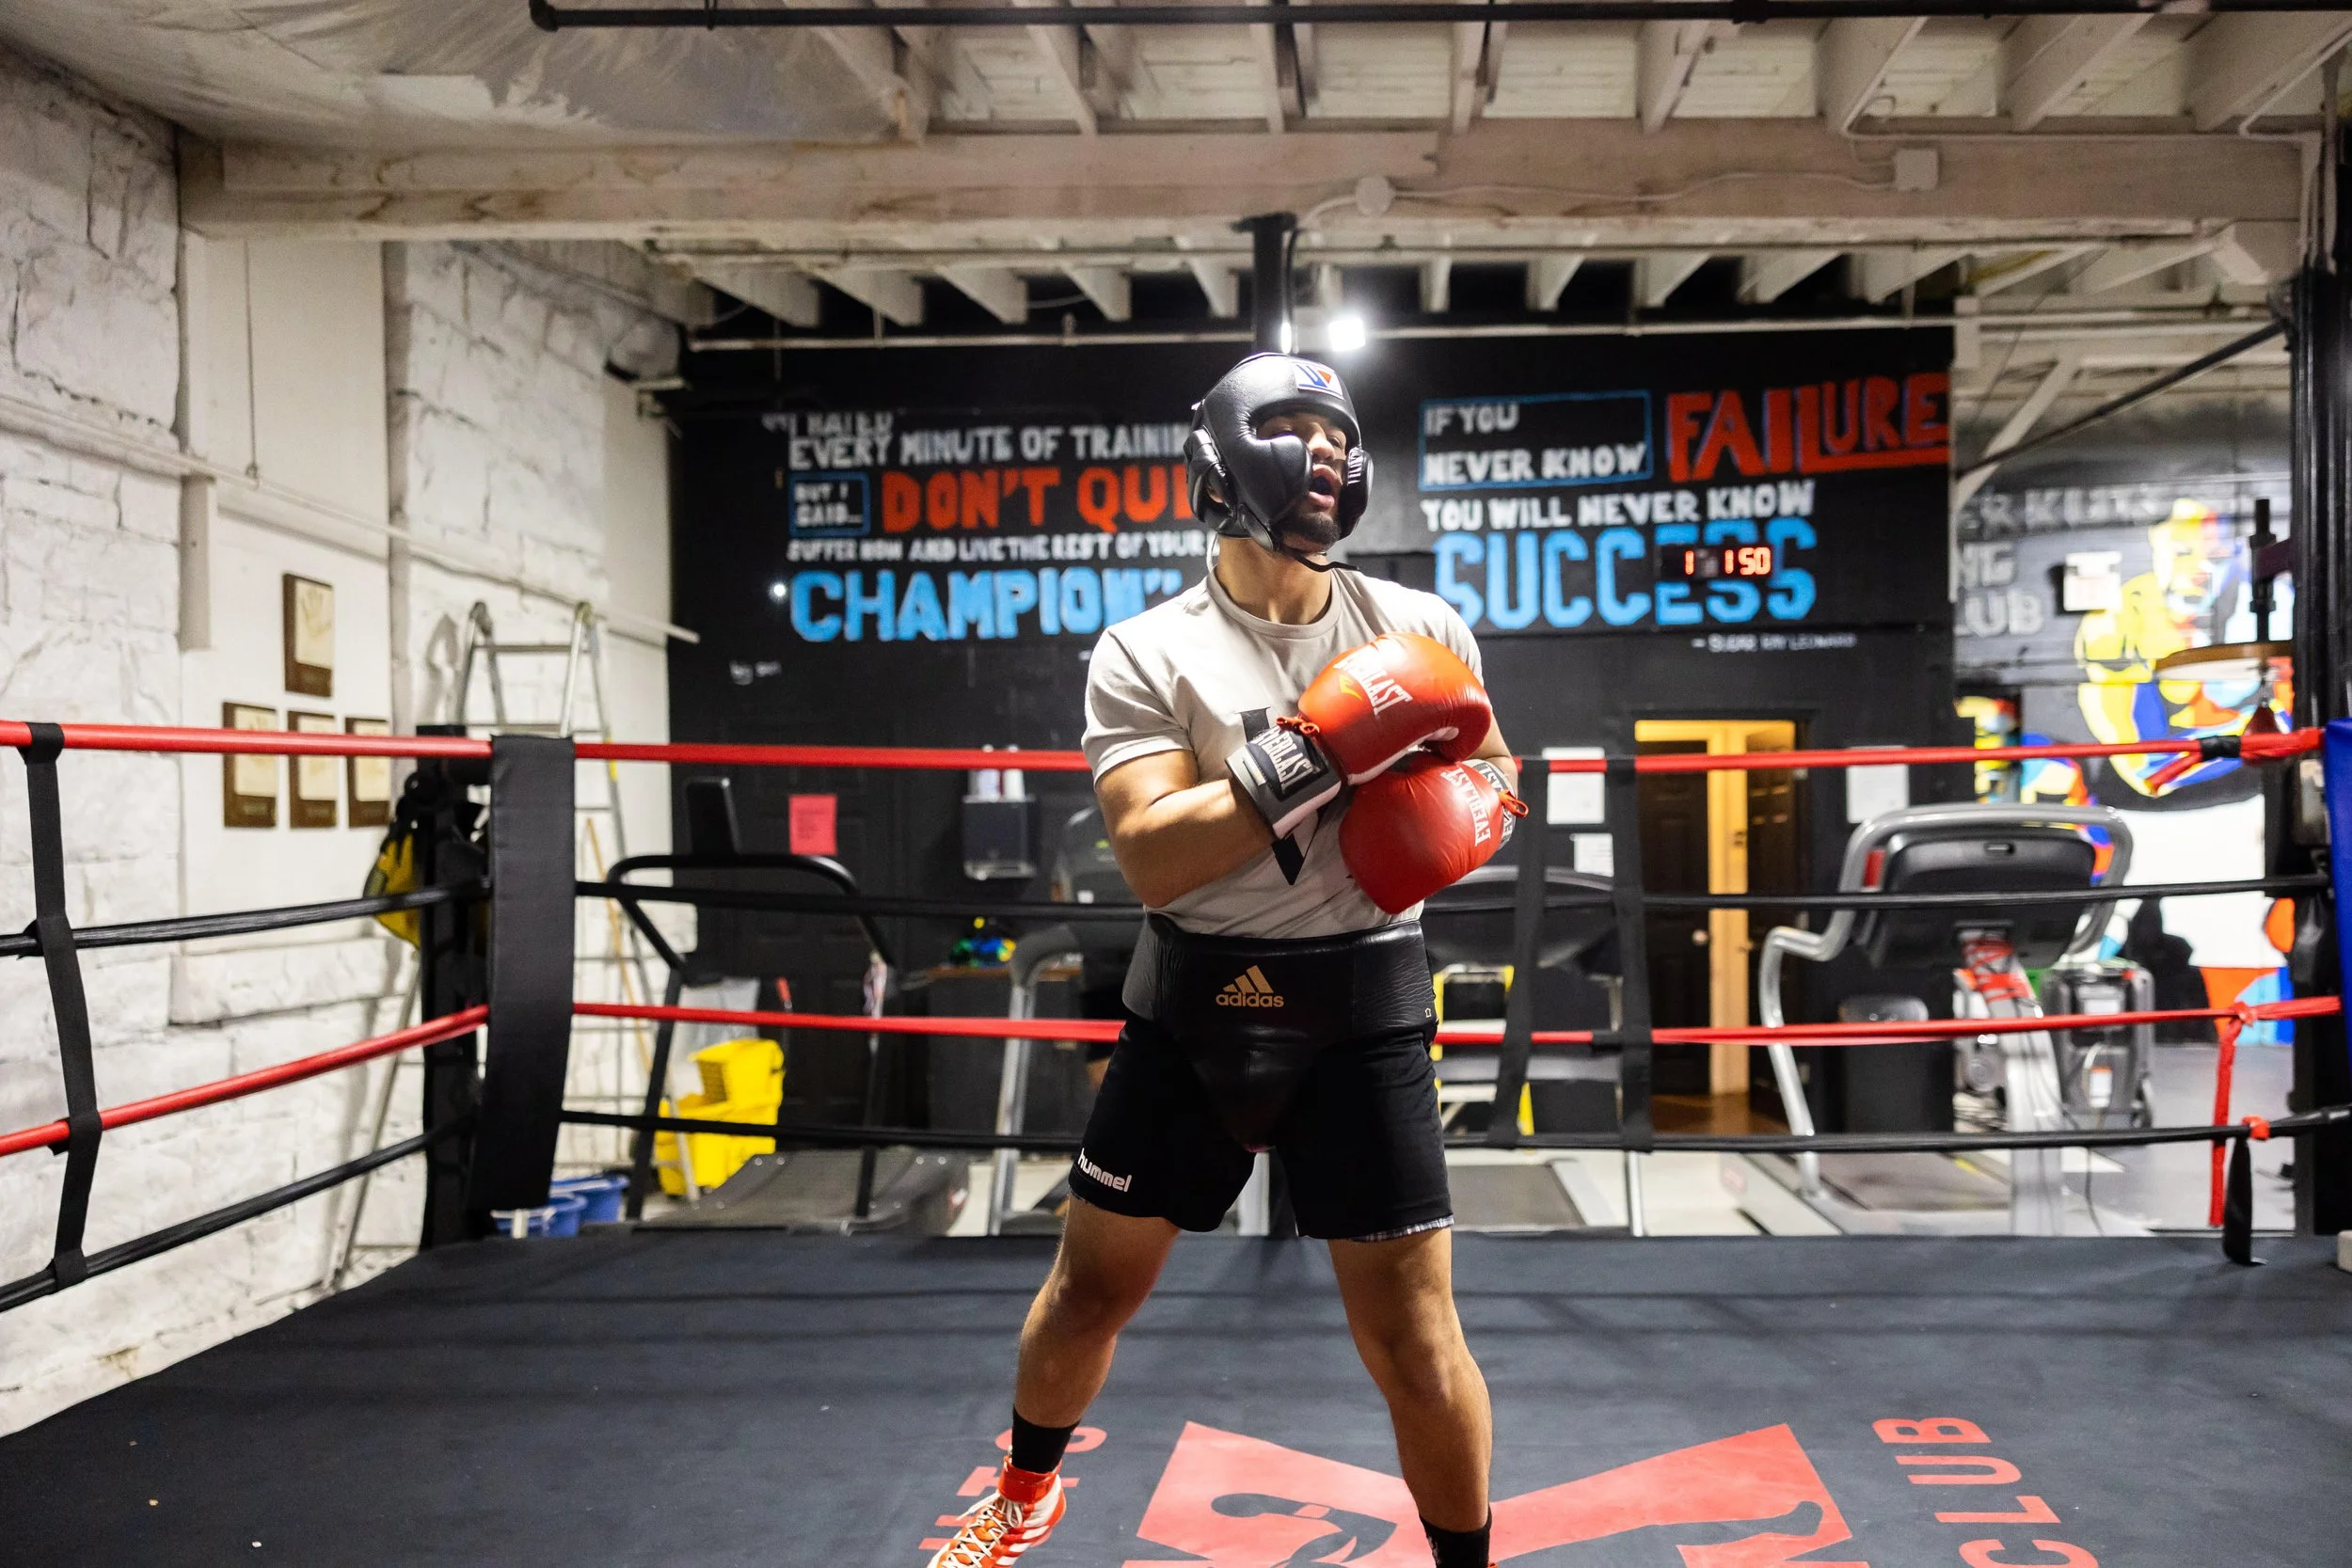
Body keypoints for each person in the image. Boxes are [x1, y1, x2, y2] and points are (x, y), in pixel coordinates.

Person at [930, 354, 1523, 1568]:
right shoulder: (1147, 653)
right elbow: (1152, 856)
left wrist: (1458, 821)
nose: (1326, 454)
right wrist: (1325, 747)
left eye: (1340, 435)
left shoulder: (1422, 626)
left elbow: (1499, 770)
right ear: (1223, 459)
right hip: (1198, 1009)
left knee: (1416, 1335)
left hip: (1364, 1006)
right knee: (1092, 1289)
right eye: (1295, 427)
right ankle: (1026, 1490)